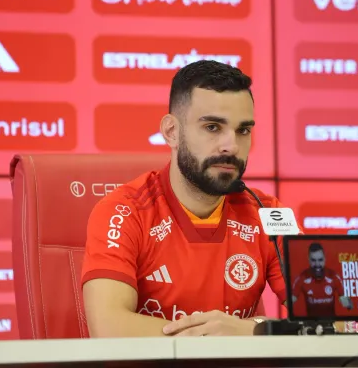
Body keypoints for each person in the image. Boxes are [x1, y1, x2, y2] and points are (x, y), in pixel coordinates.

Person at [81, 60, 295, 337]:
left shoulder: (270, 213)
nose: (231, 145)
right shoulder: (123, 211)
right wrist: (215, 336)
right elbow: (109, 327)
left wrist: (252, 330)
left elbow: (332, 320)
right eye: (213, 127)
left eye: (243, 130)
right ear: (172, 132)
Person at [291, 242, 353, 318]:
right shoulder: (302, 277)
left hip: (332, 322)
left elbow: (349, 305)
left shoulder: (333, 276)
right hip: (310, 324)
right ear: (309, 260)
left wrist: (348, 303)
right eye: (313, 260)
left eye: (320, 260)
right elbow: (290, 301)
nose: (317, 264)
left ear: (325, 259)